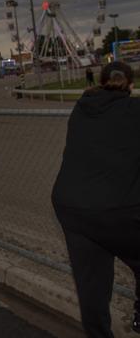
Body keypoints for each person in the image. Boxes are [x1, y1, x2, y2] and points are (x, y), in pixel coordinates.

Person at [52, 60, 140, 338]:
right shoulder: (135, 111)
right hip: (117, 210)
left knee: (92, 287)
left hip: (72, 208)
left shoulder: (82, 108)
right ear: (132, 85)